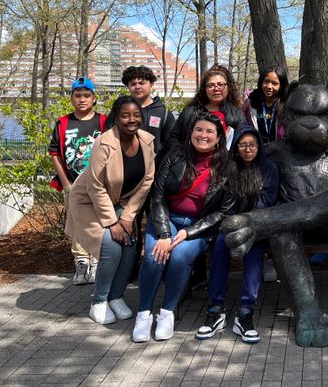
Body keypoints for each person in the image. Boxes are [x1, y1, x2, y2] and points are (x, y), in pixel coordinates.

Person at [133, 113, 236, 342]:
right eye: (199, 129)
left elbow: (223, 211)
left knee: (179, 257)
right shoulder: (176, 155)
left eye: (210, 131)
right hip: (166, 219)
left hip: (198, 226)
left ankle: (167, 312)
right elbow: (158, 195)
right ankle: (144, 313)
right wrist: (164, 233)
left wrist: (189, 232)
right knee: (154, 256)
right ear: (191, 133)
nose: (203, 135)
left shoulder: (227, 166)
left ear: (219, 138)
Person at [64, 96, 155, 325]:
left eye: (136, 115)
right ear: (116, 117)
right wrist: (112, 223)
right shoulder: (104, 142)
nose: (131, 120)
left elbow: (147, 181)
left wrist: (126, 217)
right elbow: (95, 185)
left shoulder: (146, 141)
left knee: (131, 241)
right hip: (88, 201)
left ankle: (116, 296)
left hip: (119, 201)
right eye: (125, 115)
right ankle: (99, 300)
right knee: (111, 245)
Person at [197, 125, 279, 343]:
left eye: (252, 145)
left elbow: (268, 200)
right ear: (236, 148)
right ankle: (215, 309)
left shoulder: (269, 168)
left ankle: (246, 312)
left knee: (254, 254)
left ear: (259, 147)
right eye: (242, 145)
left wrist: (248, 220)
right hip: (231, 223)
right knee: (221, 248)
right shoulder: (230, 168)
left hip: (257, 225)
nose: (247, 149)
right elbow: (226, 202)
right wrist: (234, 220)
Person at [48, 77, 107, 285]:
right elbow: (54, 152)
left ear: (93, 98)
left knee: (99, 221)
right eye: (78, 95)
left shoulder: (103, 121)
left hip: (99, 184)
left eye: (86, 95)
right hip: (73, 183)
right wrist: (66, 183)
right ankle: (81, 262)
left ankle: (96, 261)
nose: (82, 99)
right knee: (76, 222)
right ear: (72, 98)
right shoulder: (64, 122)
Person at [166, 65, 246, 150]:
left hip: (225, 161)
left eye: (220, 84)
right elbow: (173, 138)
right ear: (205, 89)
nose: (216, 89)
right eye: (211, 85)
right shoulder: (190, 112)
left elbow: (243, 142)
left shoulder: (237, 114)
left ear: (228, 87)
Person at [106, 65, 175, 154]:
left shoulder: (164, 114)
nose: (137, 87)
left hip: (155, 165)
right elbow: (108, 137)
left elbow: (171, 145)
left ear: (151, 84)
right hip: (123, 164)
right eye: (133, 84)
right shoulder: (118, 110)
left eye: (142, 83)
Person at [242, 66, 289, 144]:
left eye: (275, 83)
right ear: (261, 82)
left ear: (281, 86)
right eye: (266, 81)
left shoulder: (287, 105)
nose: (269, 86)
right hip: (256, 150)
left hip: (280, 151)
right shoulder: (250, 102)